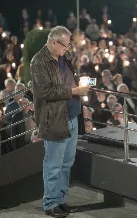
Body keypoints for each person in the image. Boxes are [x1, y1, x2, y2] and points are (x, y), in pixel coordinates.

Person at [30, 26, 89, 217]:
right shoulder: (39, 62)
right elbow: (43, 91)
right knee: (53, 165)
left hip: (71, 117)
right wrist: (73, 91)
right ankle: (50, 204)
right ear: (54, 42)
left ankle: (60, 200)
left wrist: (80, 84)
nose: (67, 49)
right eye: (65, 45)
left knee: (66, 163)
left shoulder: (63, 57)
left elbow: (67, 80)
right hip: (54, 119)